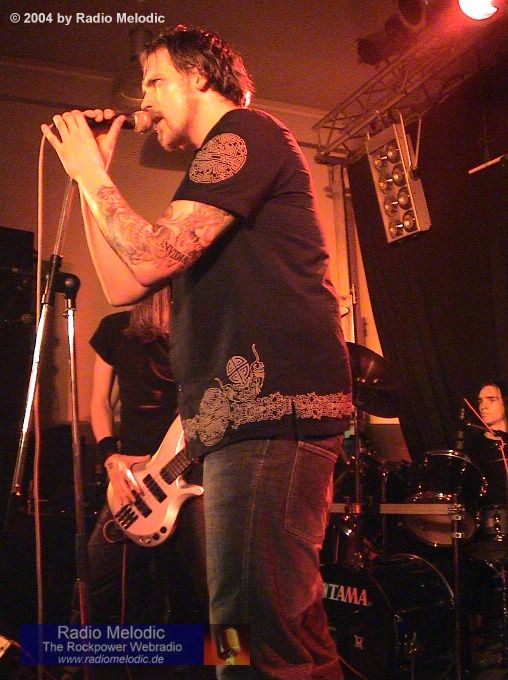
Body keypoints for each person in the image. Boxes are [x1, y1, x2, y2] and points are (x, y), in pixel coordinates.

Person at [42, 24, 352, 680]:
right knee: (283, 636)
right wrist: (94, 180)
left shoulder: (243, 134)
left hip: (273, 413)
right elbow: (126, 282)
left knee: (251, 640)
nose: (144, 99)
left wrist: (91, 171)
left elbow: (149, 256)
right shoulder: (221, 161)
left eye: (155, 81)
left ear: (200, 77)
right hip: (238, 424)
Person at [65, 291, 208, 680]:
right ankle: (78, 669)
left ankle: (230, 667)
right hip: (132, 484)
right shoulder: (115, 329)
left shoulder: (201, 327)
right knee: (92, 588)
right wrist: (111, 457)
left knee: (215, 594)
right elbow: (99, 402)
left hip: (190, 475)